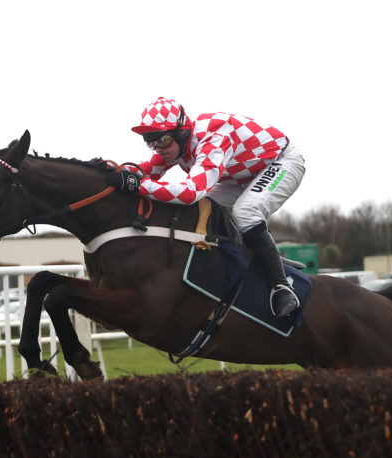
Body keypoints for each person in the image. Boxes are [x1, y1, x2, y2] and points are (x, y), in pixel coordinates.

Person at [108, 97, 306, 318]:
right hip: (244, 175)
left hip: (282, 161)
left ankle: (282, 287)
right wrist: (109, 172)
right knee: (206, 208)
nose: (158, 148)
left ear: (182, 132)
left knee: (245, 211)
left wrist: (139, 185)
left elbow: (190, 192)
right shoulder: (175, 145)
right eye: (151, 142)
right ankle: (261, 255)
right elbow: (147, 171)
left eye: (163, 140)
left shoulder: (214, 137)